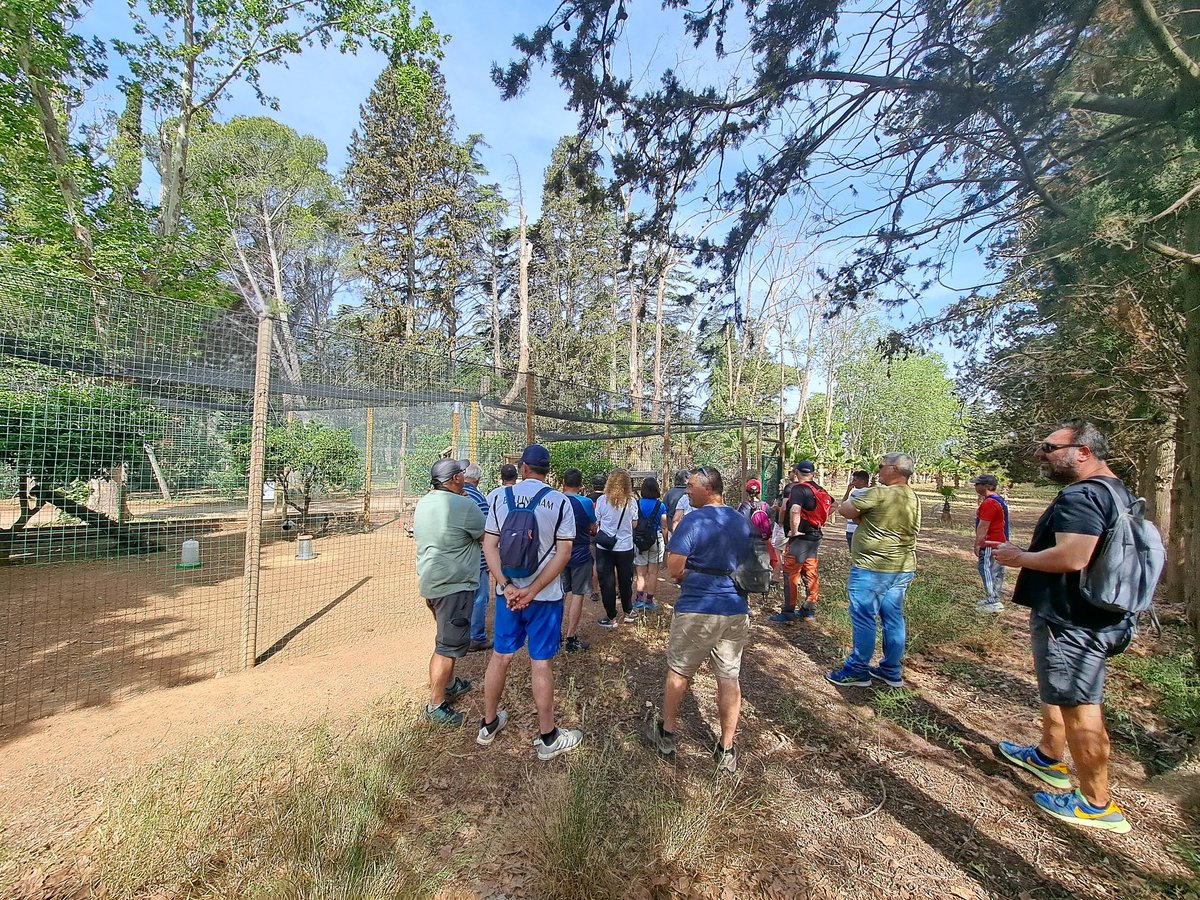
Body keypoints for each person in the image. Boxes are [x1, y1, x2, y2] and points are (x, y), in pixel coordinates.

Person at [991, 422, 1136, 833]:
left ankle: (1096, 803)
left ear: (1083, 451)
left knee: (1081, 707)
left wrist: (1019, 556)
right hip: (1099, 613)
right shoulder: (1115, 490)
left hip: (1073, 619)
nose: (1040, 455)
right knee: (1060, 692)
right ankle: (1048, 756)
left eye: (1049, 447)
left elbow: (1072, 557)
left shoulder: (1083, 495)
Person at [644, 466, 754, 773]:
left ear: (708, 488)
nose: (687, 490)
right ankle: (726, 749)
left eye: (691, 486)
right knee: (729, 677)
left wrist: (694, 571)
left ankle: (666, 735)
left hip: (698, 608)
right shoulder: (740, 520)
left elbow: (675, 567)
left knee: (679, 672)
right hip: (735, 610)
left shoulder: (694, 520)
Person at [480, 444, 583, 760]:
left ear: (523, 468)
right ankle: (548, 736)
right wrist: (534, 589)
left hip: (507, 597)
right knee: (541, 661)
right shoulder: (559, 502)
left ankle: (488, 724)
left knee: (500, 657)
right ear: (546, 471)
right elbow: (563, 554)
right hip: (545, 598)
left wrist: (508, 585)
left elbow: (490, 546)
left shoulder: (498, 497)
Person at [827, 452, 921, 689]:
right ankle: (891, 670)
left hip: (873, 569)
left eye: (881, 466)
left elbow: (846, 510)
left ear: (894, 469)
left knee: (864, 618)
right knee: (893, 618)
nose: (877, 471)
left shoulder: (880, 493)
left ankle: (858, 670)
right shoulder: (912, 496)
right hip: (901, 568)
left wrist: (861, 516)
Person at [413, 458, 485, 725]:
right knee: (445, 647)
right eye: (462, 474)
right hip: (455, 586)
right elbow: (485, 536)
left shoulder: (424, 502)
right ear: (456, 478)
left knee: (447, 636)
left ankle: (451, 684)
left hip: (432, 581)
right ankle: (435, 705)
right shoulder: (465, 505)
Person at [771, 461, 825, 624]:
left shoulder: (798, 489)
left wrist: (794, 531)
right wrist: (818, 521)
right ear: (813, 474)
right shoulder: (819, 489)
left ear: (796, 472)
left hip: (799, 538)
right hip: (815, 536)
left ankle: (788, 612)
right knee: (810, 571)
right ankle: (809, 611)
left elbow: (793, 509)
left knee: (791, 573)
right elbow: (834, 504)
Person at [593, 468, 638, 628]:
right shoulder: (631, 502)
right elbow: (634, 524)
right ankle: (628, 612)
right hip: (625, 547)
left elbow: (596, 522)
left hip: (604, 547)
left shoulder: (602, 500)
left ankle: (611, 617)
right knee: (626, 580)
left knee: (607, 582)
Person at [560, 468, 596, 653]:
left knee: (560, 593)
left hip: (558, 554)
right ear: (581, 485)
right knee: (578, 594)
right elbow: (593, 527)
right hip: (580, 552)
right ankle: (570, 638)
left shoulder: (555, 500)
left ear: (563, 483)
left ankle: (554, 634)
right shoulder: (587, 503)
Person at [462, 463, 493, 651]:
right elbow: (486, 530)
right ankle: (477, 637)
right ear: (478, 480)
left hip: (456, 559)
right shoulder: (479, 497)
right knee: (480, 597)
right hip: (476, 558)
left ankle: (460, 635)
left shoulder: (451, 496)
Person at [972, 474, 1010, 613]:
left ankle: (992, 599)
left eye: (977, 484)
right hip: (999, 540)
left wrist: (978, 543)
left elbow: (983, 525)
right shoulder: (999, 500)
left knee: (986, 569)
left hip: (989, 542)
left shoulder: (989, 503)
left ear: (986, 486)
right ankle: (996, 596)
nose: (975, 487)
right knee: (997, 570)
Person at [632, 476, 669, 613]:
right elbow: (664, 526)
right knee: (653, 573)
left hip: (640, 540)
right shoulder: (661, 505)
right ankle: (649, 601)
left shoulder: (636, 503)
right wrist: (666, 542)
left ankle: (638, 600)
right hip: (656, 539)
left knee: (640, 574)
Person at [737, 479, 779, 575]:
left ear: (747, 491)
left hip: (747, 541)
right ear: (759, 491)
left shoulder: (742, 506)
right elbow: (768, 521)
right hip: (763, 541)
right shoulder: (765, 506)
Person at [842, 470, 871, 551]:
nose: (852, 483)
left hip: (853, 529)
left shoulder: (857, 493)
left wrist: (848, 491)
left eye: (855, 480)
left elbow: (844, 506)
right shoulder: (872, 492)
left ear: (862, 481)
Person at [663, 470, 690, 536]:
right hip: (689, 529)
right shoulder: (691, 493)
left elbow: (664, 513)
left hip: (672, 530)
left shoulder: (669, 493)